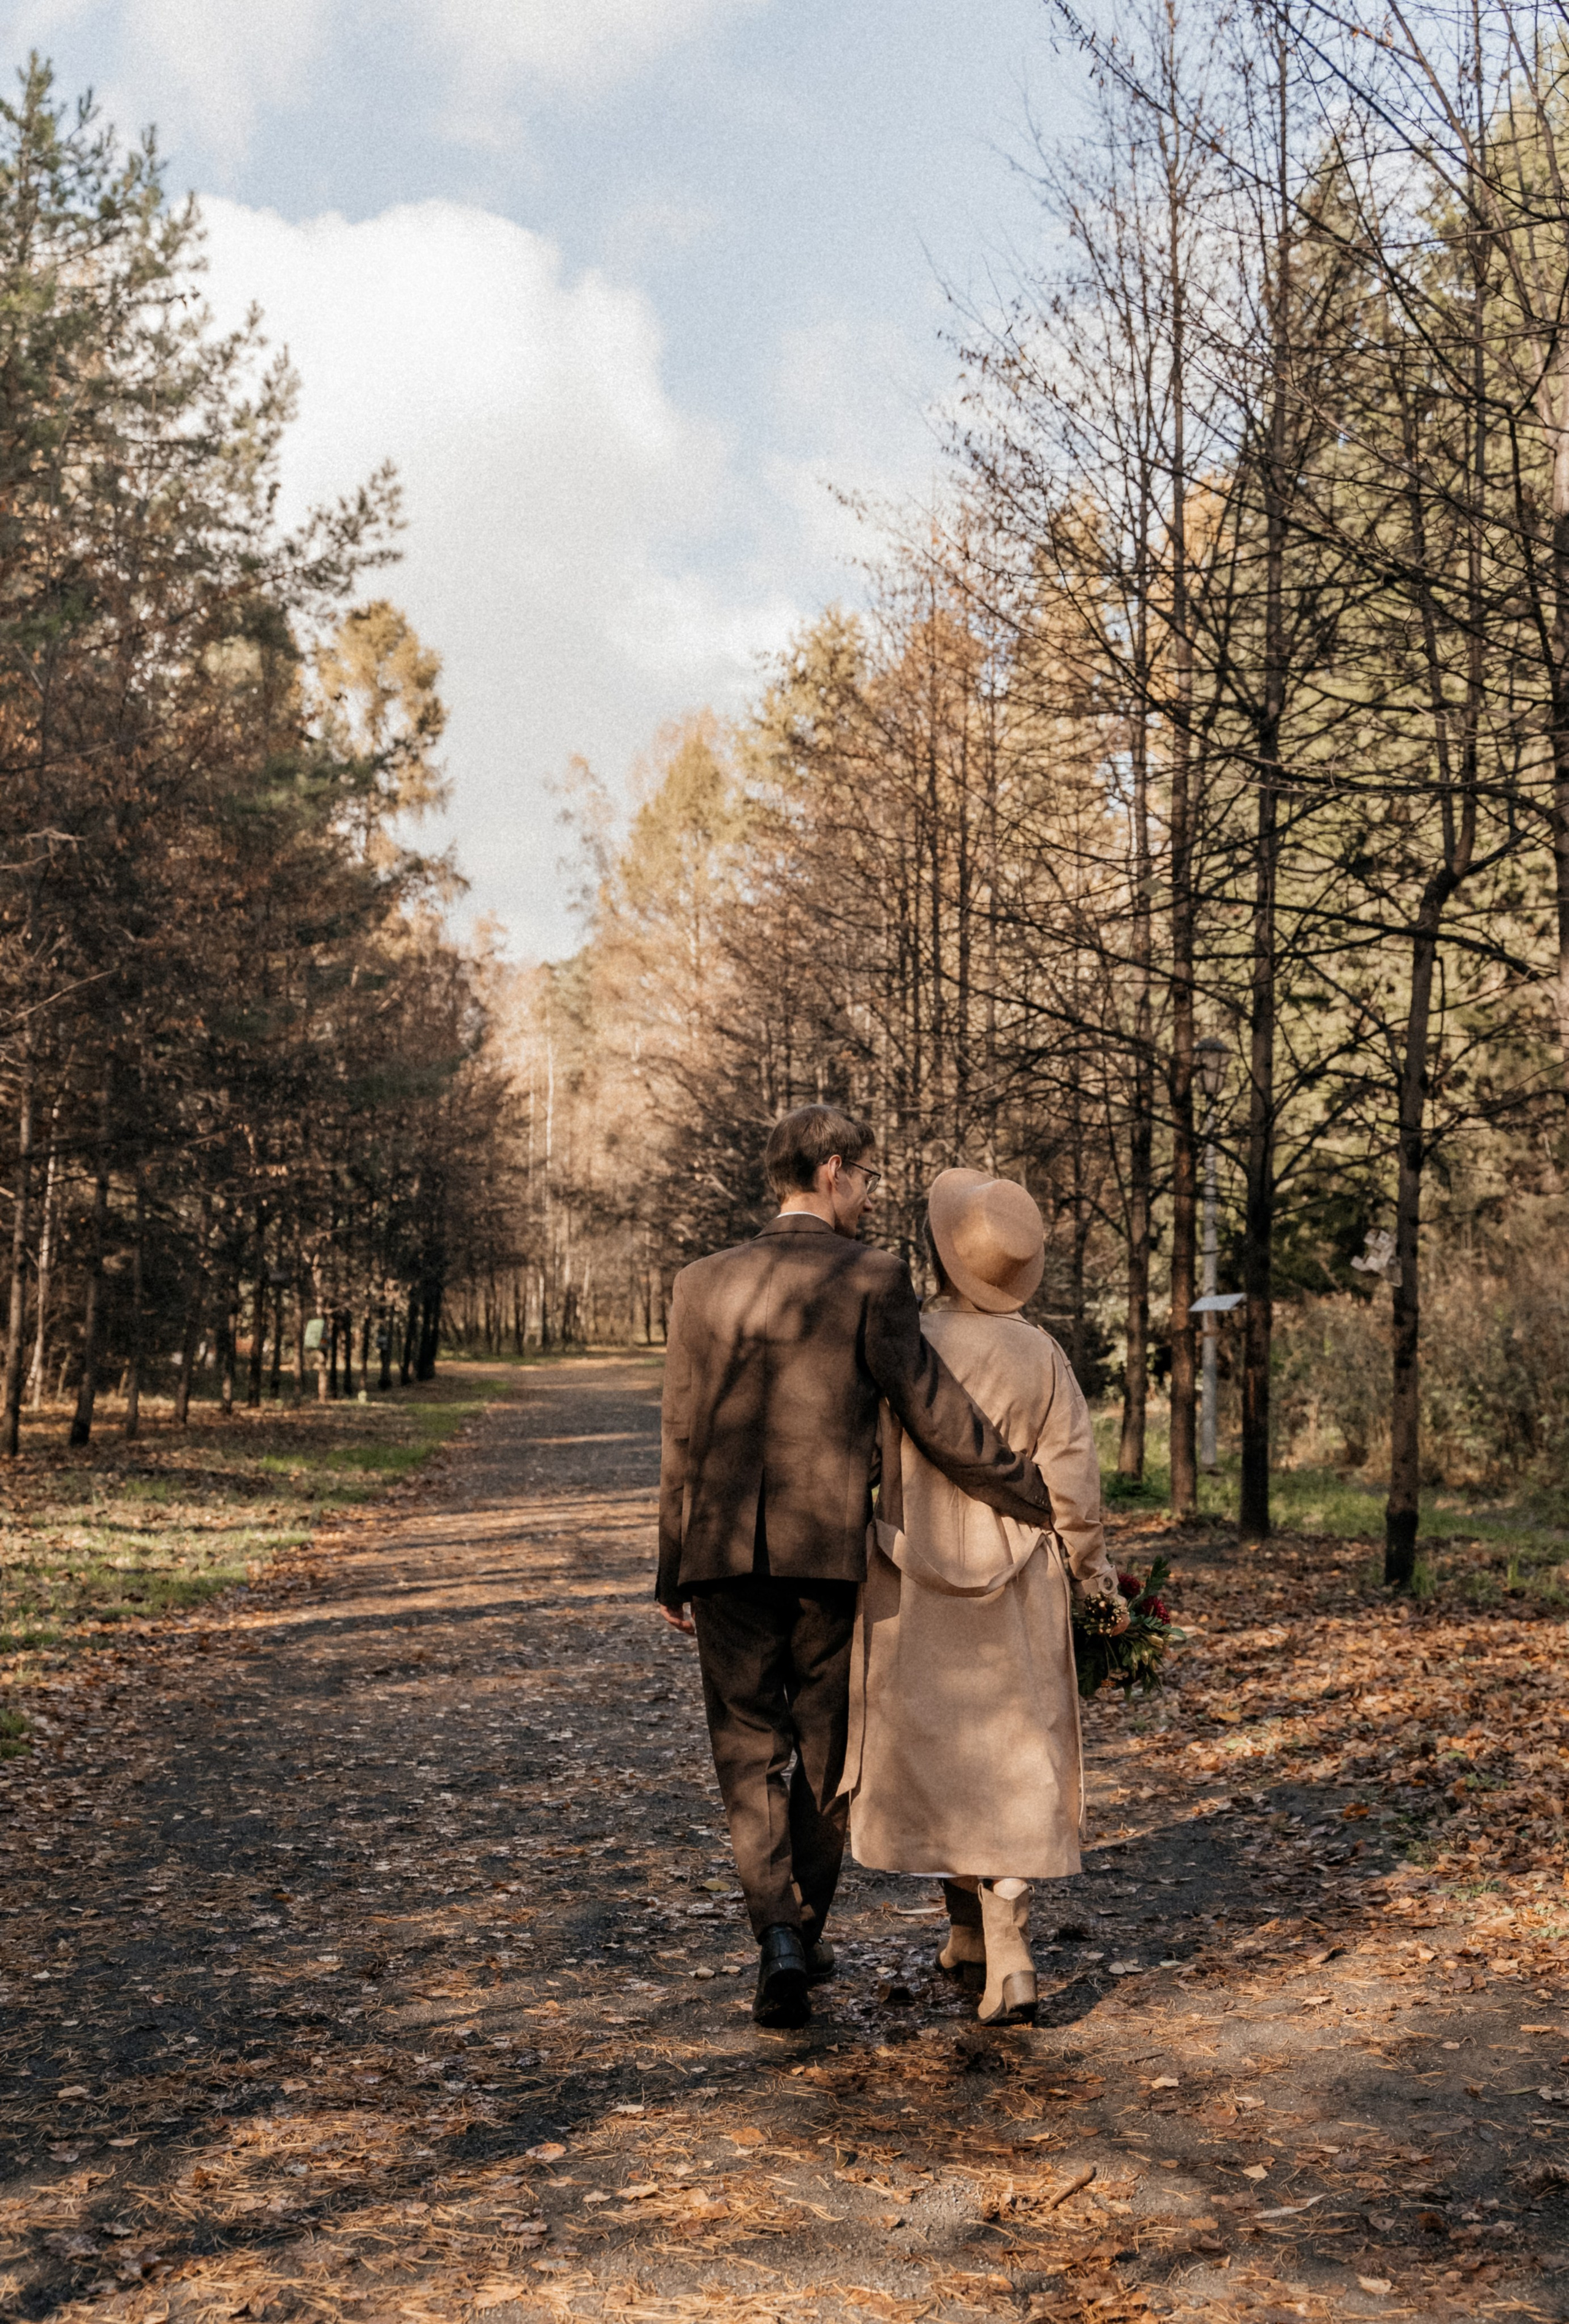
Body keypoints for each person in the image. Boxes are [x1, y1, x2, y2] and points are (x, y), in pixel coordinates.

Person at [656, 1106, 1057, 2030]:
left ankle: (781, 1939)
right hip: (826, 1559)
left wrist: (669, 1570)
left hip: (719, 1555)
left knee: (748, 1752)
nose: (873, 1196)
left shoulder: (698, 1283)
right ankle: (802, 1925)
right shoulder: (874, 1278)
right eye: (868, 1178)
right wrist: (1027, 1489)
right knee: (831, 1758)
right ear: (832, 1170)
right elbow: (931, 1409)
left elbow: (680, 1434)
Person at [838, 1167, 1128, 2026]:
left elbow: (863, 1461)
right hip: (1017, 1588)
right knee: (1008, 1760)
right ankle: (986, 1944)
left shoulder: (907, 1345)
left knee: (938, 1761)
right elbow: (1074, 1486)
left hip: (913, 1581)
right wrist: (1091, 1578)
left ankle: (989, 1944)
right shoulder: (1040, 1355)